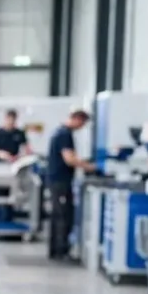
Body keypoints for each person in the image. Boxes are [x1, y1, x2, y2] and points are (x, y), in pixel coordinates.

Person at [46, 109, 95, 260]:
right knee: (62, 215)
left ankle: (56, 250)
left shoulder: (59, 132)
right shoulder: (65, 134)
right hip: (60, 181)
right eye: (83, 123)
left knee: (58, 215)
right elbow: (69, 159)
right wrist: (90, 167)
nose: (82, 127)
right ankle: (61, 251)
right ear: (77, 119)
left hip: (57, 180)